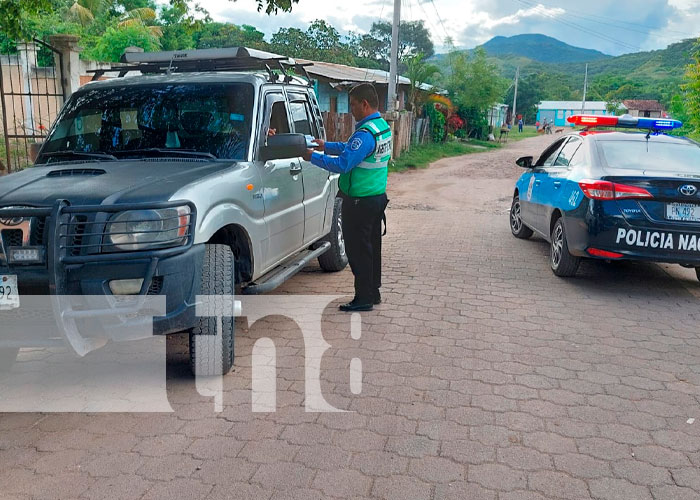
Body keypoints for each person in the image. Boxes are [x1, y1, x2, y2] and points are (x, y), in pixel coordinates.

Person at [302, 83, 391, 312]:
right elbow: (350, 148)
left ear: (364, 104)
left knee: (358, 252)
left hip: (360, 202)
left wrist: (312, 157)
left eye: (353, 105)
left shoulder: (365, 133)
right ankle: (373, 292)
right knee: (371, 248)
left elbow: (344, 163)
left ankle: (363, 299)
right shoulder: (381, 128)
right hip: (376, 198)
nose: (351, 109)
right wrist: (326, 145)